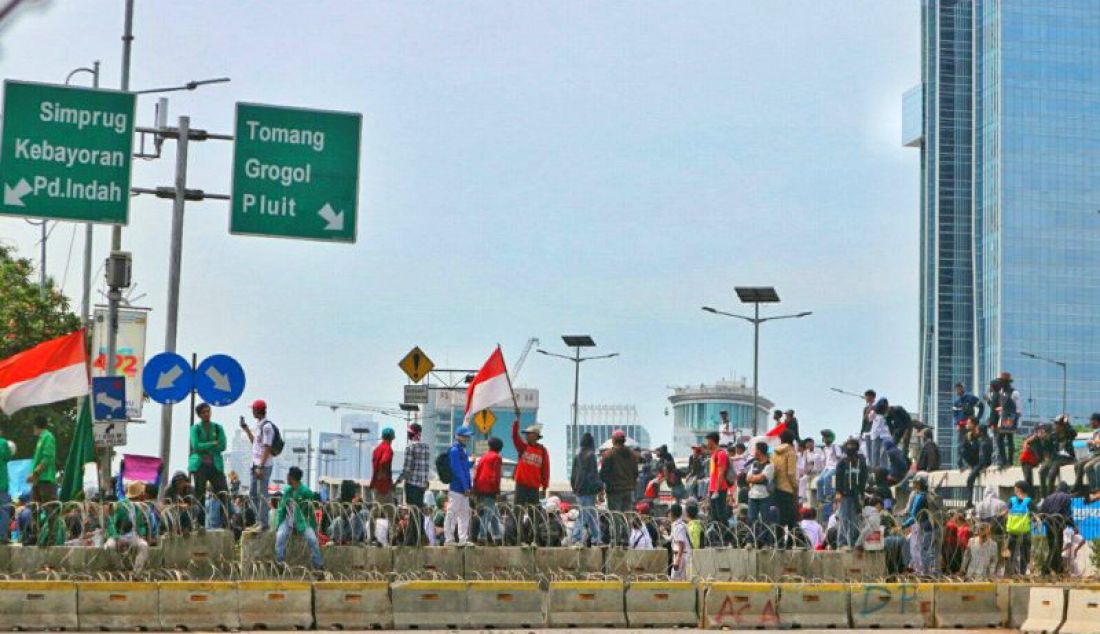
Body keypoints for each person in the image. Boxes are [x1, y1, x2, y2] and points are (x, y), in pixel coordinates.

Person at [274, 466, 323, 569]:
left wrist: (313, 526)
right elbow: (281, 508)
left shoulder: (306, 492)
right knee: (280, 536)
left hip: (303, 521)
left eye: (288, 475)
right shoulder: (287, 491)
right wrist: (277, 524)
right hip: (288, 521)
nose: (286, 477)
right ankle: (280, 563)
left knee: (313, 540)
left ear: (292, 478)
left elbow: (311, 510)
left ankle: (318, 565)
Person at [190, 403, 228, 529]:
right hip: (200, 465)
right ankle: (198, 523)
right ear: (199, 415)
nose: (207, 414)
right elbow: (196, 445)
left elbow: (222, 446)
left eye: (208, 411)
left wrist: (204, 446)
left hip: (215, 465)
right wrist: (212, 443)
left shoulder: (218, 428)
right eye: (204, 412)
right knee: (199, 494)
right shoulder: (195, 429)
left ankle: (225, 522)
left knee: (223, 493)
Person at [240, 400, 275, 530]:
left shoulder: (267, 427)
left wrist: (261, 466)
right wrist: (246, 429)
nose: (252, 412)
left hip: (263, 466)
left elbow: (267, 448)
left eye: (253, 410)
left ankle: (264, 524)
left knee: (262, 494)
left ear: (257, 411)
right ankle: (259, 520)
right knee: (252, 494)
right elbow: (255, 443)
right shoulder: (259, 425)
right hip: (254, 464)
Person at [105, 482, 151, 572]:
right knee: (109, 546)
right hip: (119, 536)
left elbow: (141, 525)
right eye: (142, 493)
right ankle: (120, 569)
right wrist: (117, 538)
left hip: (133, 536)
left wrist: (142, 534)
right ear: (140, 495)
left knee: (144, 546)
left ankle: (136, 573)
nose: (144, 495)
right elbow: (111, 523)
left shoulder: (139, 507)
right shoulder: (120, 506)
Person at [570, 432, 602, 546]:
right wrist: (599, 487)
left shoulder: (577, 456)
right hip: (588, 490)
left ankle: (597, 537)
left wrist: (574, 487)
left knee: (590, 514)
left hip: (579, 490)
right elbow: (594, 474)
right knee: (585, 514)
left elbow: (573, 475)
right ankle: (575, 536)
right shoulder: (591, 456)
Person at [835, 439, 868, 548]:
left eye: (853, 445)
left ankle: (854, 542)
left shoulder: (861, 462)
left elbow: (863, 479)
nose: (850, 447)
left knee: (855, 519)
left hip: (857, 495)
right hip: (845, 495)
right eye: (848, 445)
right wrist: (838, 492)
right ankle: (843, 543)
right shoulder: (842, 462)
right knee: (844, 518)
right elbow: (838, 478)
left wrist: (862, 494)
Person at [444, 426, 473, 545]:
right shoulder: (454, 450)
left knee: (464, 515)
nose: (467, 438)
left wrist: (471, 463)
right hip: (457, 488)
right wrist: (465, 486)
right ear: (458, 436)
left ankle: (463, 539)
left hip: (464, 488)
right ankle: (449, 538)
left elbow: (464, 468)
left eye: (467, 436)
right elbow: (457, 470)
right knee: (452, 513)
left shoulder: (462, 451)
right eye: (464, 436)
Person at [600, 429, 639, 518]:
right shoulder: (632, 455)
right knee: (627, 518)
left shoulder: (608, 454)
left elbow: (603, 474)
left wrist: (602, 489)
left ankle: (617, 533)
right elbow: (636, 473)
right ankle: (627, 532)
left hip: (614, 491)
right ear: (624, 440)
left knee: (615, 518)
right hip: (628, 490)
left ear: (613, 440)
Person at [901, 476, 936, 574]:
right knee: (926, 549)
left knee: (916, 548)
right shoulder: (929, 495)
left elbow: (913, 514)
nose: (913, 485)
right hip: (930, 525)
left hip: (920, 525)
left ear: (919, 484)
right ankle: (925, 570)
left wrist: (904, 525)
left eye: (915, 483)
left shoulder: (919, 496)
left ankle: (920, 571)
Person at [1038, 482, 1074, 575]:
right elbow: (1067, 513)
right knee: (1056, 548)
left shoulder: (1048, 497)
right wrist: (1073, 525)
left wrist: (1043, 522)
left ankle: (1058, 569)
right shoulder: (1066, 497)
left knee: (1052, 548)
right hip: (1058, 524)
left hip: (1048, 524)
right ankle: (1046, 570)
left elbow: (1041, 512)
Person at [771, 430, 798, 547]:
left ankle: (779, 542)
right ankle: (790, 543)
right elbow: (791, 473)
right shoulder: (791, 452)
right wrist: (795, 486)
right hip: (787, 489)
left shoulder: (774, 452)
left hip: (776, 488)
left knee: (779, 517)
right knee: (792, 518)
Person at [473, 436, 503, 543]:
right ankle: (481, 537)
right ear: (499, 448)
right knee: (487, 514)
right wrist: (497, 491)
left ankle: (497, 536)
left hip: (480, 489)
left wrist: (475, 489)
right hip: (490, 489)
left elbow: (477, 474)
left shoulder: (483, 457)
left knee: (493, 513)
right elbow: (496, 476)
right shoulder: (496, 458)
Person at [512, 421, 550, 507]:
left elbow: (545, 470)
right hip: (521, 484)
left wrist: (544, 487)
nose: (526, 436)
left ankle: (533, 521)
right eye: (526, 434)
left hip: (534, 485)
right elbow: (515, 436)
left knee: (534, 510)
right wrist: (517, 421)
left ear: (536, 436)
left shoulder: (543, 451)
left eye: (529, 434)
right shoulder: (523, 447)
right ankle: (517, 521)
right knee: (518, 508)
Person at [745, 441, 774, 545]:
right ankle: (750, 541)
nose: (754, 451)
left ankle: (765, 542)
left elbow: (763, 477)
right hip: (752, 495)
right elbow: (747, 478)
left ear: (760, 451)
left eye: (755, 449)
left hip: (764, 496)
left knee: (765, 520)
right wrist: (755, 479)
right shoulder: (754, 464)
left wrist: (754, 478)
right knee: (751, 519)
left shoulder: (769, 465)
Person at [1040, 416, 1076, 499]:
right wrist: (1044, 440)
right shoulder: (1052, 436)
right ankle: (1043, 497)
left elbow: (1074, 433)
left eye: (1057, 425)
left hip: (1067, 458)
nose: (1054, 427)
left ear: (1062, 426)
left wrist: (1067, 423)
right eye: (1054, 424)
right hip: (1055, 458)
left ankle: (1049, 497)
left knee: (1051, 473)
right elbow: (1046, 448)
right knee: (1042, 471)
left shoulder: (1069, 434)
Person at [397, 423, 430, 507]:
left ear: (412, 433)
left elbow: (407, 469)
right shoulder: (426, 446)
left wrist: (398, 480)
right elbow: (426, 468)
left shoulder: (410, 447)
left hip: (412, 485)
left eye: (409, 432)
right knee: (419, 510)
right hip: (422, 485)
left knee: (412, 511)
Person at [1005, 481, 1034, 576]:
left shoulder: (1011, 500)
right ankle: (1022, 572)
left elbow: (1005, 512)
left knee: (1010, 552)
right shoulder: (1029, 501)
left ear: (1019, 489)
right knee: (1025, 553)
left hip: (1012, 531)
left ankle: (1010, 572)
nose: (1014, 489)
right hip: (1025, 531)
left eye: (1015, 487)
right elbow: (1036, 514)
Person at [994, 372, 1022, 467]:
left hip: (1011, 418)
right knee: (1000, 439)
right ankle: (1004, 461)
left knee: (1009, 439)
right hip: (1003, 417)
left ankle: (1009, 461)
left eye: (1001, 381)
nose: (1000, 383)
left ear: (1006, 382)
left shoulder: (1014, 393)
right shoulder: (1001, 392)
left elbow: (1018, 409)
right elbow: (1004, 406)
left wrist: (1014, 420)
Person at [705, 431, 731, 527]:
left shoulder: (721, 454)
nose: (707, 443)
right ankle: (717, 537)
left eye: (708, 441)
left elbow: (721, 473)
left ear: (712, 441)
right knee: (714, 515)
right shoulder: (713, 455)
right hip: (713, 489)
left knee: (721, 515)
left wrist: (716, 490)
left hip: (719, 489)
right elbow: (713, 475)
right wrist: (710, 491)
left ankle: (727, 537)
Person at [959, 421, 993, 494]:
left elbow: (983, 456)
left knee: (970, 479)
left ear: (981, 432)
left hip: (981, 464)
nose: (976, 431)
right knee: (963, 451)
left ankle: (969, 500)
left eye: (977, 430)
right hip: (979, 463)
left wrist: (983, 466)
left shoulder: (984, 442)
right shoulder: (984, 440)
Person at [816, 430, 843, 519]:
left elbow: (840, 458)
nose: (824, 439)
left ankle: (828, 495)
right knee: (819, 480)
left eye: (826, 437)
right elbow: (824, 460)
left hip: (834, 467)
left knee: (827, 478)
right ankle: (820, 499)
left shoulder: (835, 447)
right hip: (827, 467)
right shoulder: (824, 449)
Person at [1074, 413, 1100, 494]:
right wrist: (1091, 445)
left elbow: (1098, 443)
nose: (1090, 422)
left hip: (1098, 456)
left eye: (1092, 420)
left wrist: (1093, 442)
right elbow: (1094, 448)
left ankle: (1096, 489)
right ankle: (1079, 487)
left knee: (1088, 466)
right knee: (1078, 464)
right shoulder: (1095, 432)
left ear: (1097, 421)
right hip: (1094, 455)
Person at [370, 428, 396, 505]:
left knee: (378, 507)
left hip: (376, 483)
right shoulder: (388, 448)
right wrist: (382, 474)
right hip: (383, 484)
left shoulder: (377, 449)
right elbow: (384, 461)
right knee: (389, 509)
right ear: (391, 438)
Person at [668, 503, 691, 580]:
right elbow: (671, 539)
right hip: (681, 555)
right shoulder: (679, 525)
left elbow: (681, 544)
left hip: (681, 555)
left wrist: (677, 560)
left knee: (675, 579)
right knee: (682, 580)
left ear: (672, 513)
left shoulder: (678, 527)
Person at [797, 437, 821, 504]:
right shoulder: (805, 452)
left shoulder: (819, 450)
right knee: (802, 480)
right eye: (807, 444)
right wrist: (804, 471)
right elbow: (804, 463)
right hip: (809, 472)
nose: (808, 446)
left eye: (809, 444)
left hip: (818, 471)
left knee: (816, 457)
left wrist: (812, 462)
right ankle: (802, 497)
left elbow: (820, 460)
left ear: (812, 443)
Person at [868, 399, 891, 469]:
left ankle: (884, 470)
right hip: (877, 436)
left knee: (884, 454)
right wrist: (873, 409)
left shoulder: (886, 414)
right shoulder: (875, 413)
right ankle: (875, 471)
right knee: (876, 454)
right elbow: (869, 418)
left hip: (885, 436)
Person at [0, 435, 12, 543]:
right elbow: (8, 456)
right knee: (4, 510)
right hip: (1, 484)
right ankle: (2, 535)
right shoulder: (3, 442)